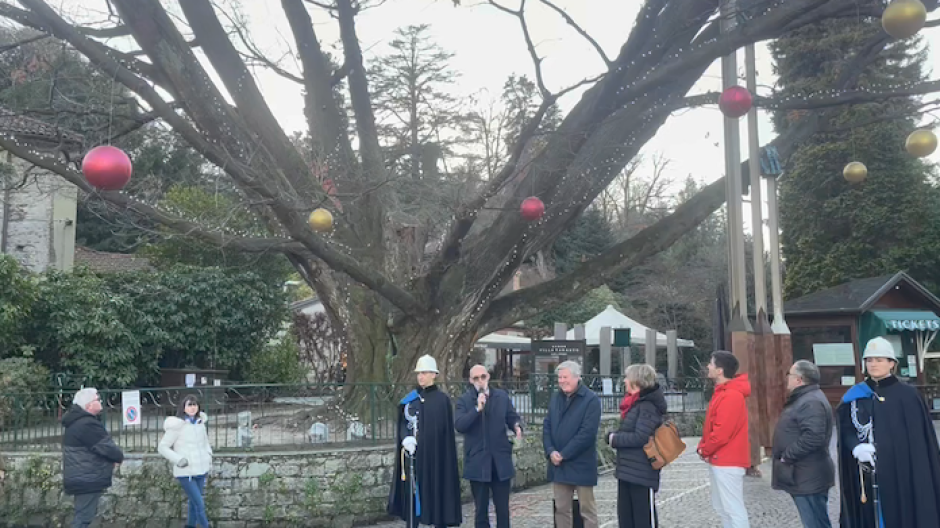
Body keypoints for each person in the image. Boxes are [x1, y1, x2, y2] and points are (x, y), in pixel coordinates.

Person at [837, 337, 940, 527]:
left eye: (879, 360)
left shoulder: (908, 396)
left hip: (901, 475)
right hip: (866, 476)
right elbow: (846, 431)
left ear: (891, 363)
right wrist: (856, 447)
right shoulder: (854, 396)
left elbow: (919, 443)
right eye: (869, 360)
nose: (873, 364)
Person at [388, 355, 462, 528]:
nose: (421, 376)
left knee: (437, 495)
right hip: (415, 460)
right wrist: (406, 438)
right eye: (419, 373)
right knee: (413, 498)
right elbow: (404, 423)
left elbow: (444, 434)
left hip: (436, 459)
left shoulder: (442, 401)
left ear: (433, 374)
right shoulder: (410, 400)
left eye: (424, 373)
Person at [455, 364, 524, 528]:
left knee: (503, 509)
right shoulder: (464, 400)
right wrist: (477, 409)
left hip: (500, 461)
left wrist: (517, 426)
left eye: (483, 377)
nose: (480, 381)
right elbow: (460, 425)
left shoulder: (501, 397)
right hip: (478, 461)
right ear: (471, 381)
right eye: (476, 378)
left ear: (488, 377)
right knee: (480, 510)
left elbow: (512, 416)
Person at [771, 360, 834, 528]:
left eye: (789, 375)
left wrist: (787, 456)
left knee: (815, 522)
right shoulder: (805, 399)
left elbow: (813, 437)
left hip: (808, 475)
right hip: (804, 474)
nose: (787, 379)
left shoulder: (810, 402)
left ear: (799, 379)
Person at [543, 360, 602, 528]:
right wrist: (550, 451)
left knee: (587, 510)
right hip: (558, 465)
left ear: (577, 377)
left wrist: (564, 454)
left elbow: (587, 434)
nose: (561, 381)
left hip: (581, 463)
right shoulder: (556, 398)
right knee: (561, 509)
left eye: (565, 377)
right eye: (559, 377)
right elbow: (547, 426)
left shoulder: (590, 400)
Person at [607, 364, 667, 528]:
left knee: (643, 520)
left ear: (636, 381)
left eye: (627, 377)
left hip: (642, 471)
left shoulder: (647, 406)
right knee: (627, 519)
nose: (624, 381)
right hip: (627, 470)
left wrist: (614, 439)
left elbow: (641, 437)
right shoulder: (633, 404)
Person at [697, 351, 750, 528]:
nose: (708, 367)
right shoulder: (724, 393)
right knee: (724, 508)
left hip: (727, 461)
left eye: (711, 364)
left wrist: (704, 449)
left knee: (733, 509)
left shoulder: (730, 395)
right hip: (722, 459)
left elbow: (721, 433)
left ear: (720, 370)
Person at [62, 387, 124, 528]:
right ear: (89, 405)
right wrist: (118, 457)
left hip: (81, 476)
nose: (100, 401)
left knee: (83, 515)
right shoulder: (87, 424)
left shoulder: (77, 422)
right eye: (97, 399)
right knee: (83, 518)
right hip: (87, 478)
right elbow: (106, 447)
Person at [158, 395, 213, 528]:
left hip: (200, 469)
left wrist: (208, 457)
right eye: (189, 405)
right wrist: (179, 460)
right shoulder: (177, 426)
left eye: (195, 405)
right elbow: (162, 447)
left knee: (194, 503)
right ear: (183, 408)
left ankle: (190, 525)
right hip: (185, 471)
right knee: (199, 504)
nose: (192, 408)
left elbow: (206, 444)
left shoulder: (200, 424)